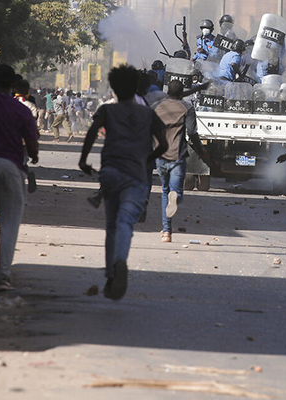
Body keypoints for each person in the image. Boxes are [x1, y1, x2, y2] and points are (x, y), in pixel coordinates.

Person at [79, 64, 168, 300]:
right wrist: (146, 158)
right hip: (135, 176)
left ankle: (111, 276)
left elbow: (92, 132)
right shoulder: (148, 114)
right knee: (125, 222)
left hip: (110, 173)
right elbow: (164, 145)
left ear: (114, 88)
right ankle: (120, 261)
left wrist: (83, 160)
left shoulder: (107, 110)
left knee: (111, 226)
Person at [0, 64, 39, 292]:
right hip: (11, 167)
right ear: (12, 84)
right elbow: (32, 145)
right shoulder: (21, 110)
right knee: (9, 224)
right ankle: (2, 276)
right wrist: (34, 155)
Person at [152, 80, 209, 242]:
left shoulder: (157, 107)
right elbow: (191, 132)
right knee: (175, 193)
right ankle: (176, 198)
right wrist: (201, 152)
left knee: (165, 191)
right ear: (182, 93)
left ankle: (166, 232)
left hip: (160, 155)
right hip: (177, 155)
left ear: (167, 92)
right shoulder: (187, 108)